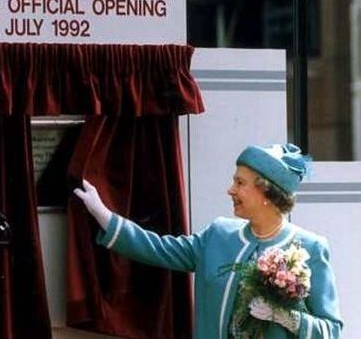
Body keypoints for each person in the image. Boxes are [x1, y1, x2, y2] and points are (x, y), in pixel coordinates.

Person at [74, 143, 343, 338]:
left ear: (266, 193)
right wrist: (105, 216)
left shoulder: (310, 248)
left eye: (240, 183)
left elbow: (331, 330)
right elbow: (159, 249)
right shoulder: (219, 235)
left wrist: (286, 317)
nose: (230, 190)